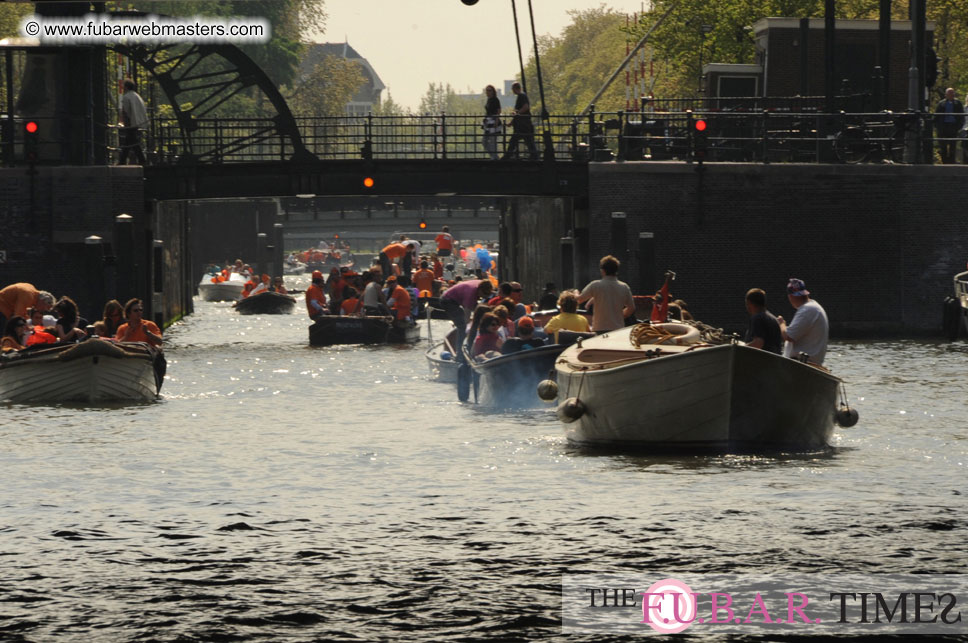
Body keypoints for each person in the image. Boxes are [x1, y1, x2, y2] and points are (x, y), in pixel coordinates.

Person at [578, 255, 636, 333]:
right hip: (617, 328)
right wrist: (620, 316)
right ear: (616, 270)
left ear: (602, 271)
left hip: (599, 328)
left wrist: (573, 294)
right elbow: (631, 308)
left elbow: (579, 299)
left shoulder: (595, 285)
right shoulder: (624, 287)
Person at [777, 278, 829, 365]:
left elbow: (788, 336)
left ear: (790, 296)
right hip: (808, 362)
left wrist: (781, 323)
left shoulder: (807, 310)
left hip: (802, 364)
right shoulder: (813, 307)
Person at [439, 279, 494, 356]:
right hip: (448, 301)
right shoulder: (470, 294)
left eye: (488, 294)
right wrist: (470, 326)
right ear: (480, 290)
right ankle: (460, 352)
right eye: (484, 294)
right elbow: (467, 316)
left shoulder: (482, 285)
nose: (484, 296)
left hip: (457, 299)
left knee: (481, 310)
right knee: (462, 326)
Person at [501, 82, 538, 160]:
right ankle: (534, 156)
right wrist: (512, 122)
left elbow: (525, 107)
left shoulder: (521, 96)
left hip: (523, 124)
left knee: (515, 140)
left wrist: (517, 113)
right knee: (528, 140)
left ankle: (508, 155)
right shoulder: (522, 96)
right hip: (523, 124)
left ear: (515, 89)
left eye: (512, 89)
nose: (512, 91)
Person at [119, 78, 148, 165]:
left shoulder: (126, 97)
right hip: (138, 122)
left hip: (131, 123)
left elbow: (126, 112)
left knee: (131, 142)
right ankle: (124, 160)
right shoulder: (137, 96)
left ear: (126, 87)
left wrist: (125, 123)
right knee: (131, 141)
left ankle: (124, 161)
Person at [744, 288, 783, 354]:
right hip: (775, 361)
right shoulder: (773, 319)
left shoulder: (757, 318)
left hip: (762, 361)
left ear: (749, 303)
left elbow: (758, 343)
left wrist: (741, 348)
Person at [934, 88, 965, 164]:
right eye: (949, 94)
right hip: (943, 127)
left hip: (953, 126)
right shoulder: (941, 104)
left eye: (952, 94)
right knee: (943, 146)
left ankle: (952, 161)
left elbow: (961, 116)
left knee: (952, 145)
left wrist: (958, 126)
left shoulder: (958, 103)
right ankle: (944, 161)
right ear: (946, 95)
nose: (951, 95)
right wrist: (938, 127)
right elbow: (936, 116)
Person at [482, 84, 503, 160]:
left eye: (489, 90)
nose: (488, 92)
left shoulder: (495, 99)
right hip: (488, 122)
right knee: (484, 142)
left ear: (493, 91)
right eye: (486, 90)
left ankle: (494, 157)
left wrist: (496, 121)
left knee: (492, 141)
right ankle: (494, 156)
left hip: (493, 121)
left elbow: (499, 110)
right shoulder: (489, 100)